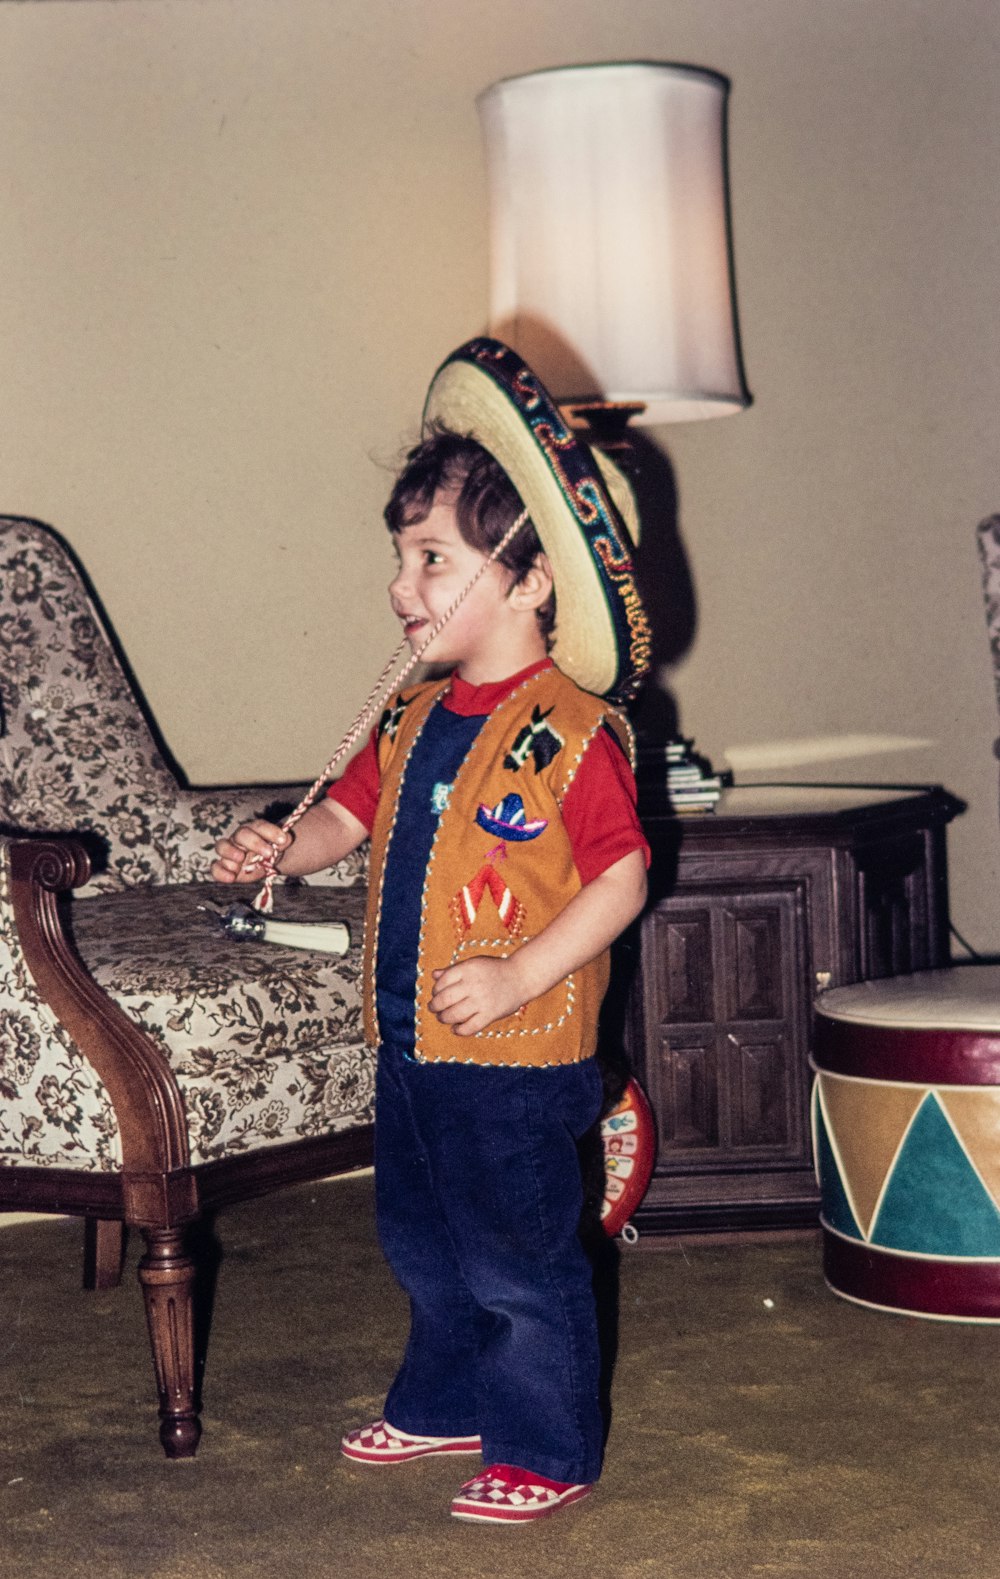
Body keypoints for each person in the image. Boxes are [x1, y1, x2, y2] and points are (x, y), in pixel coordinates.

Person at [212, 339, 652, 1524]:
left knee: (518, 1253)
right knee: (421, 1234)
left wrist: (519, 972)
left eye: (432, 558)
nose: (403, 586)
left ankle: (545, 1444)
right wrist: (278, 845)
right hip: (410, 1036)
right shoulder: (413, 712)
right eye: (401, 557)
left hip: (514, 1048)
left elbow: (620, 879)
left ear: (528, 577)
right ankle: (450, 1392)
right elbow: (347, 815)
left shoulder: (571, 730)